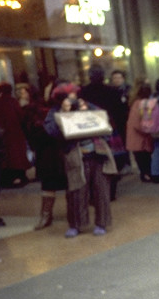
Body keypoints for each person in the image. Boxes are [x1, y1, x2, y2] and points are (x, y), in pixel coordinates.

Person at [44, 83, 117, 238]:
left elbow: (105, 122)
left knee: (101, 190)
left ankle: (101, 223)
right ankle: (76, 224)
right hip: (75, 156)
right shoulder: (55, 111)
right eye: (66, 97)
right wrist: (64, 114)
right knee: (76, 191)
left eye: (73, 95)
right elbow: (50, 131)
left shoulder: (88, 105)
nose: (72, 99)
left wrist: (87, 112)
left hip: (98, 154)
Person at [20, 82, 67, 230]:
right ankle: (47, 215)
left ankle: (48, 216)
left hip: (52, 152)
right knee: (51, 183)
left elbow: (37, 132)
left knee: (57, 183)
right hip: (50, 152)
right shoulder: (40, 109)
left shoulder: (41, 110)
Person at [79, 64, 124, 200]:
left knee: (93, 162)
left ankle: (94, 194)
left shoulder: (83, 92)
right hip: (109, 129)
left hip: (90, 131)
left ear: (90, 76)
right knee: (112, 161)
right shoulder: (113, 91)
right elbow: (120, 114)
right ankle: (111, 192)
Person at [0, 82, 31, 191]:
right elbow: (21, 117)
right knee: (17, 156)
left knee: (6, 157)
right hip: (16, 133)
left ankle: (7, 178)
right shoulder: (13, 102)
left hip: (2, 134)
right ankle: (20, 176)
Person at [125, 80, 153, 182]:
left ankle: (146, 173)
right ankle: (145, 174)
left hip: (137, 136)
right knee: (143, 158)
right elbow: (136, 122)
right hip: (139, 137)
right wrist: (147, 130)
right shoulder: (140, 103)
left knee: (142, 157)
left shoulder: (135, 102)